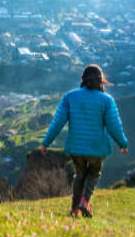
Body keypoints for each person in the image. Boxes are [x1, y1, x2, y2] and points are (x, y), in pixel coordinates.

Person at [40, 64, 128, 218]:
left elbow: (57, 122)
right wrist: (122, 144)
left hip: (76, 148)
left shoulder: (70, 97)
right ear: (102, 80)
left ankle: (74, 209)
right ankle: (85, 201)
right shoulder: (107, 101)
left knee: (79, 175)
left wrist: (46, 143)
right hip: (98, 148)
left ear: (82, 79)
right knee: (93, 173)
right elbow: (114, 126)